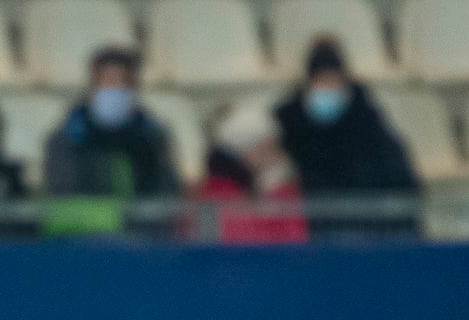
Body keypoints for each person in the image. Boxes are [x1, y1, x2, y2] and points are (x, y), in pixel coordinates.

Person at [274, 37, 420, 240]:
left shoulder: (368, 122)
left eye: (334, 81)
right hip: (317, 230)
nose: (328, 88)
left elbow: (401, 180)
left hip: (372, 226)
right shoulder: (289, 125)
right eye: (321, 81)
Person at [43, 46, 180, 199]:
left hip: (139, 223)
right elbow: (63, 194)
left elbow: (166, 195)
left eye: (124, 82)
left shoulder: (153, 137)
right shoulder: (66, 139)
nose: (115, 88)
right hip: (85, 223)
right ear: (93, 85)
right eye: (108, 81)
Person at [189, 102, 308, 244]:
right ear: (247, 151)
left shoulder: (260, 188)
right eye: (268, 147)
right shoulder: (215, 193)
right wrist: (277, 194)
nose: (276, 156)